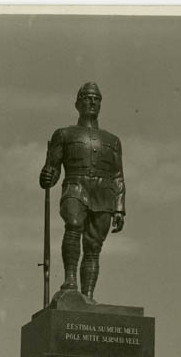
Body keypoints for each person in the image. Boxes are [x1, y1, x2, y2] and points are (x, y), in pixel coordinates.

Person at [39, 82, 125, 301]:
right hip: (75, 187)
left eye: (96, 98)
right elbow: (53, 168)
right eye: (87, 97)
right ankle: (70, 281)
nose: (92, 102)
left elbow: (117, 175)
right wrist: (48, 175)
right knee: (74, 225)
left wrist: (120, 208)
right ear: (77, 103)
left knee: (93, 245)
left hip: (103, 194)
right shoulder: (64, 134)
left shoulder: (113, 141)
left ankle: (87, 295)